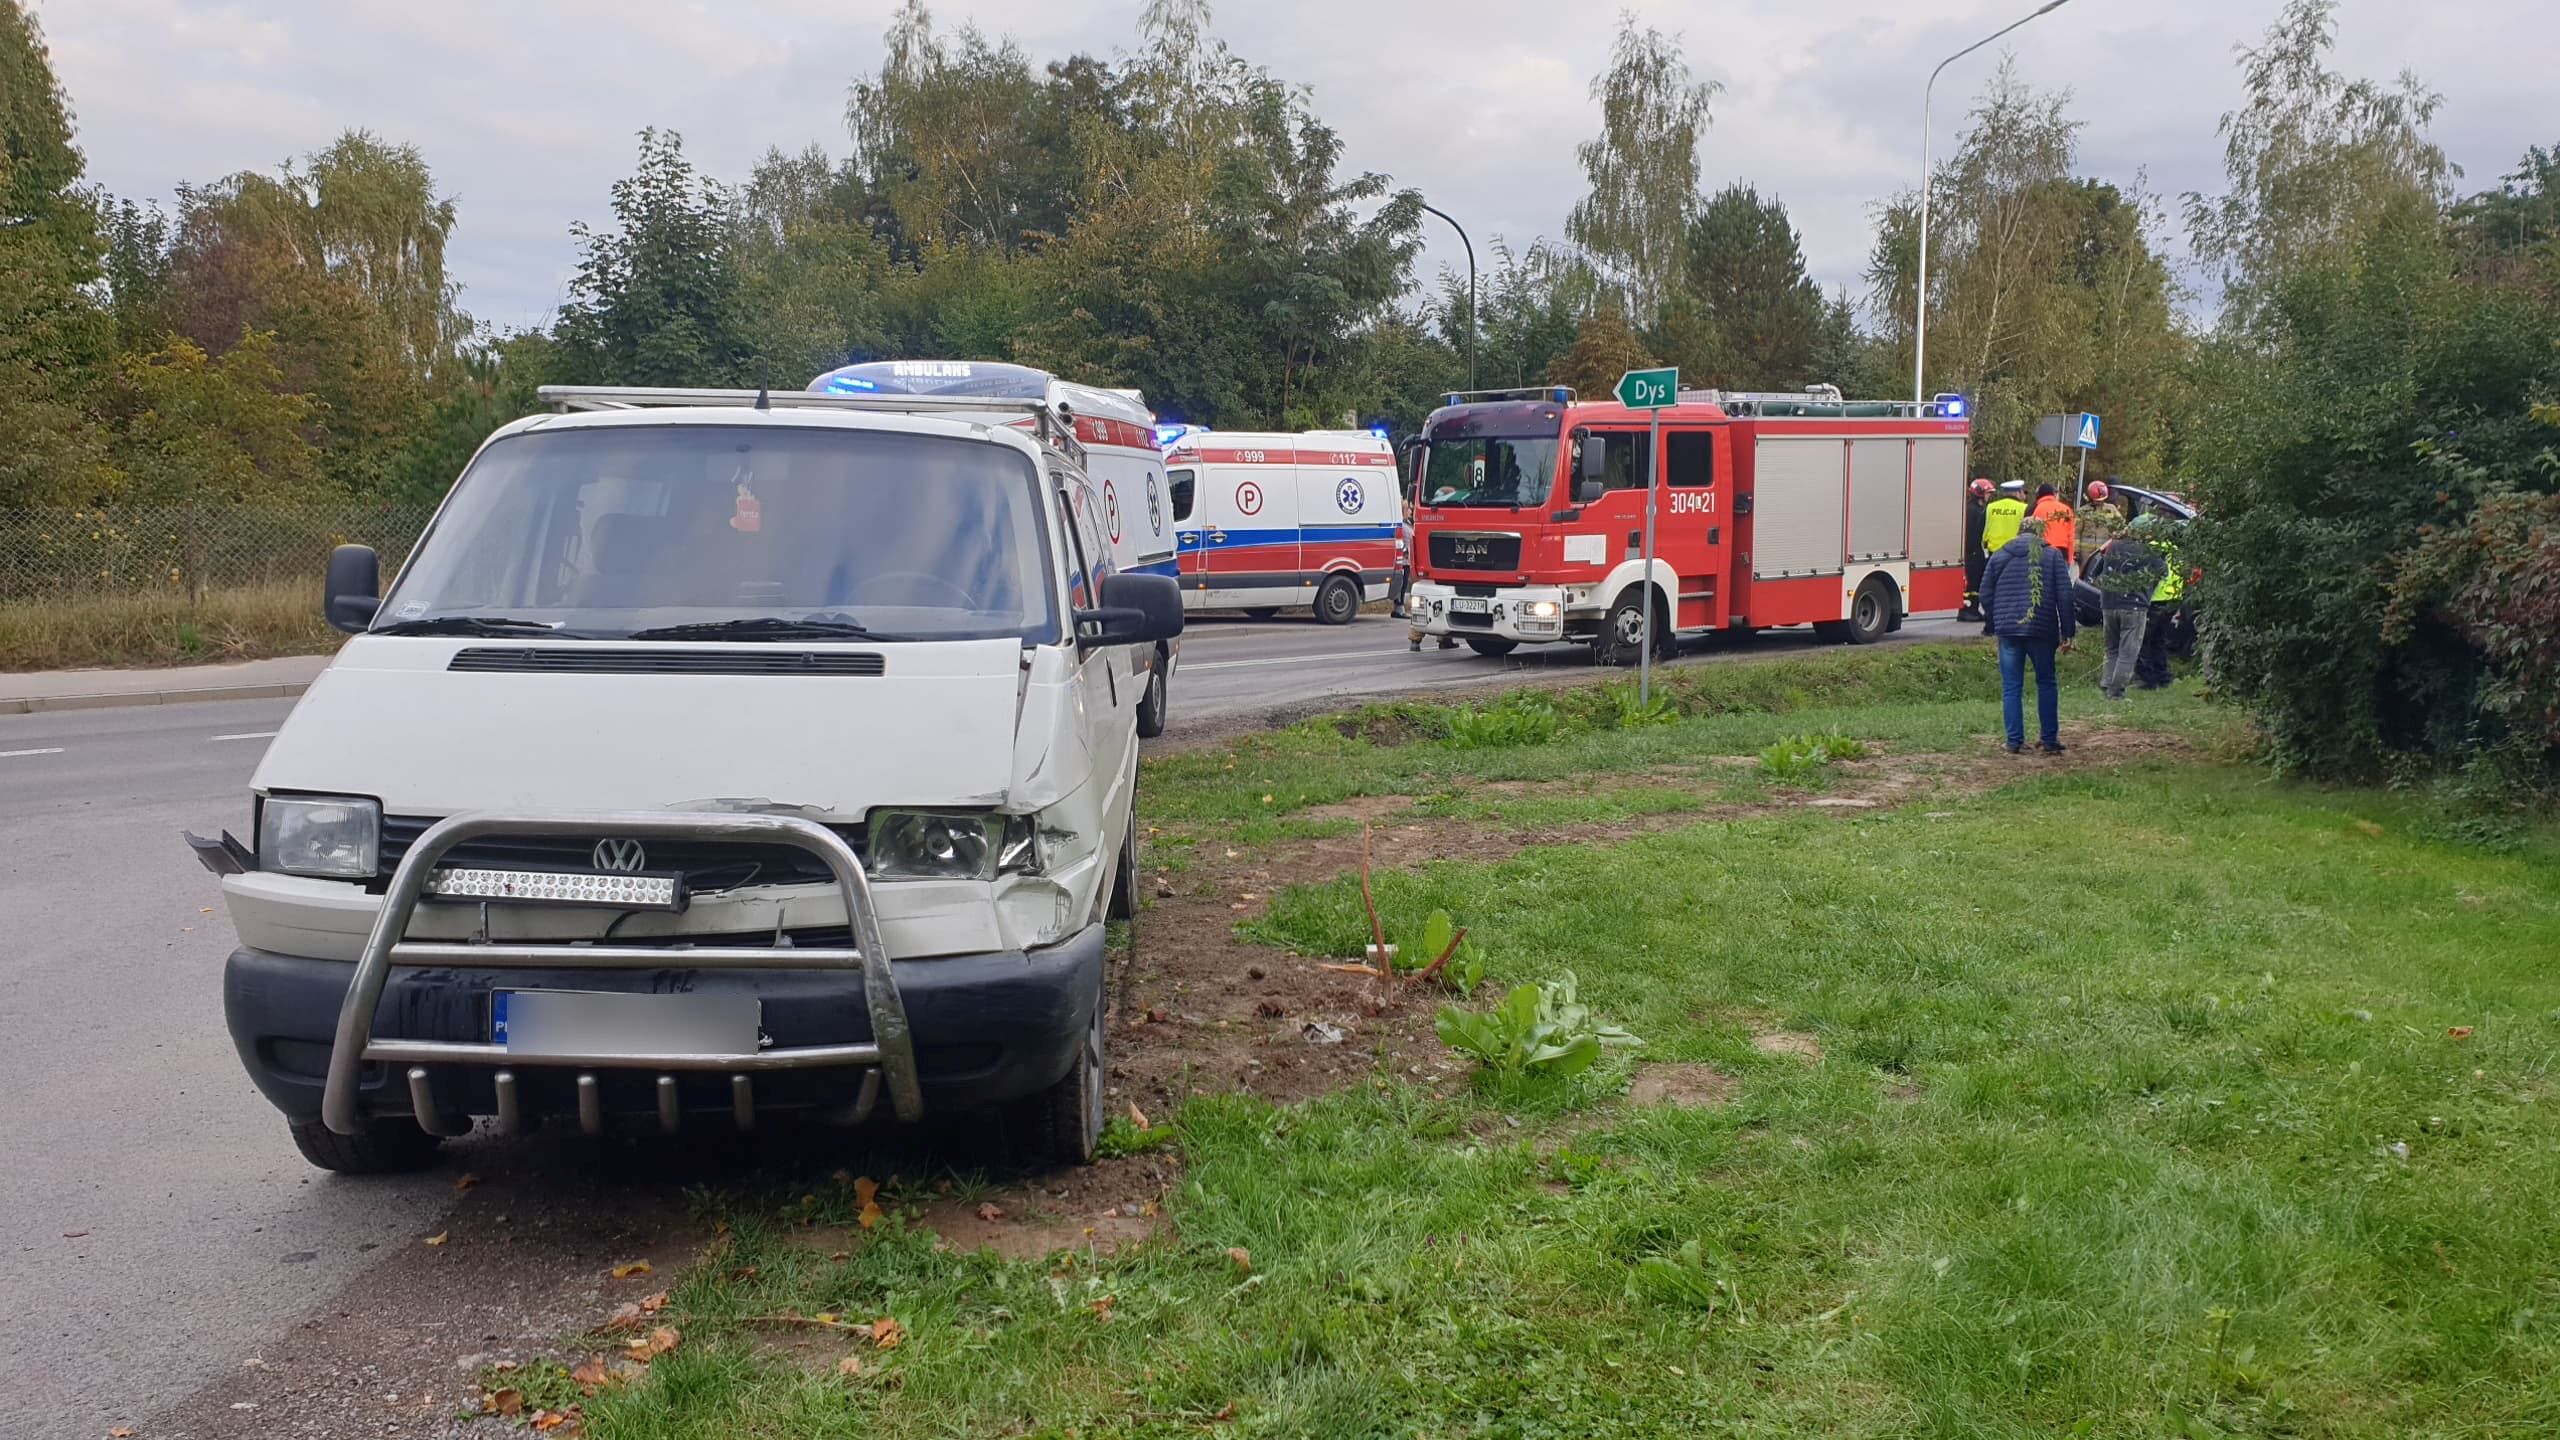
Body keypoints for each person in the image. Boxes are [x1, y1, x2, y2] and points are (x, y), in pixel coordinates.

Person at [1978, 513, 2076, 755]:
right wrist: (2068, 632)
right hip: (2041, 629)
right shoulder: (2052, 556)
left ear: (2018, 532)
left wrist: (1996, 619)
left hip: (2008, 630)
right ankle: (2049, 740)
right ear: (2040, 533)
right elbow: (2065, 596)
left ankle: (2014, 741)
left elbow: (1985, 594)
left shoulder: (2000, 556)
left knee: (2012, 686)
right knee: (2046, 682)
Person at [2083, 513, 2167, 701]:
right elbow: (2163, 571)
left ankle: (2106, 683)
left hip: (2109, 603)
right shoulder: (2149, 552)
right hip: (2134, 606)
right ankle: (2117, 692)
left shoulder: (2113, 546)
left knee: (2111, 648)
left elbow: (2096, 571)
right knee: (2128, 651)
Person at [2135, 519, 2188, 689]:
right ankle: (2163, 677)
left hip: (2155, 599)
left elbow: (2147, 575)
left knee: (2144, 640)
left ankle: (2148, 680)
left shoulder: (2153, 547)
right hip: (2173, 598)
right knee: (2159, 640)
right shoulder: (2176, 549)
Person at [1960, 477, 1995, 622]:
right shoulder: (1976, 511)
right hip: (1974, 553)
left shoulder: (1971, 508)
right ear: (1980, 494)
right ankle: (1969, 610)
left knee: (1974, 583)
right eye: (1988, 493)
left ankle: (1971, 609)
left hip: (1972, 552)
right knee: (1973, 584)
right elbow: (1976, 534)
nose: (1989, 496)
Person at [2030, 483, 2078, 571]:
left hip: (2043, 552)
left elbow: (2032, 534)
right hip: (2062, 553)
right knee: (2061, 582)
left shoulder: (2037, 509)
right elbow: (2071, 537)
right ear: (2053, 494)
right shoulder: (2066, 509)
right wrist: (2070, 558)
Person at [1982, 479, 2028, 557]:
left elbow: (1983, 528)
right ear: (2017, 493)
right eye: (2023, 492)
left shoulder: (1991, 507)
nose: (2024, 495)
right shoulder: (2024, 508)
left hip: (1994, 552)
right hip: (2015, 553)